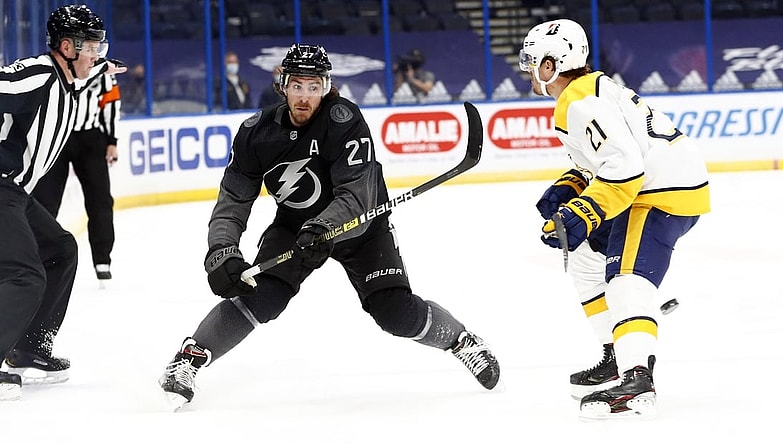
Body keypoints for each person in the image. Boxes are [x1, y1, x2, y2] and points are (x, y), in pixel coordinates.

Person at [158, 43, 500, 409]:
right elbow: (232, 203)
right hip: (295, 228)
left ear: (326, 87)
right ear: (283, 85)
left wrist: (322, 227)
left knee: (395, 312)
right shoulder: (255, 134)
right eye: (298, 86)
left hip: (361, 227)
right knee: (260, 296)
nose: (305, 97)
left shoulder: (344, 120)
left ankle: (461, 341)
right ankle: (188, 359)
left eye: (314, 86)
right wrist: (221, 252)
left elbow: (356, 195)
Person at [519, 19, 709, 419]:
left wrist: (584, 211)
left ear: (551, 65)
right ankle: (616, 352)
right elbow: (607, 161)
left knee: (626, 280)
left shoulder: (578, 100)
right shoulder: (589, 91)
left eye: (532, 60)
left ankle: (637, 377)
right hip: (661, 183)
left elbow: (624, 169)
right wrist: (571, 186)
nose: (527, 68)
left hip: (657, 193)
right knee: (586, 258)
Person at [0, 4, 125, 400]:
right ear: (67, 46)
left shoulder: (69, 78)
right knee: (24, 275)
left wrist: (102, 68)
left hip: (15, 191)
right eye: (91, 45)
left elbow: (83, 80)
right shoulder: (37, 73)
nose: (98, 52)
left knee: (60, 248)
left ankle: (28, 347)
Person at [32, 71, 121, 282]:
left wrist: (112, 140)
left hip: (91, 139)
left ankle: (102, 260)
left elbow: (111, 104)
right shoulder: (56, 67)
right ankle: (36, 256)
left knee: (100, 201)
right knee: (44, 202)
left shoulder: (102, 71)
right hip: (57, 138)